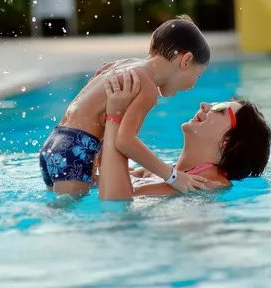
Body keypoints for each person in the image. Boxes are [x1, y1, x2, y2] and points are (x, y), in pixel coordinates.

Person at [39, 15, 211, 195]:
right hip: (76, 151)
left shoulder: (126, 64)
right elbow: (125, 141)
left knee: (59, 210)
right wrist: (173, 176)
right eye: (197, 75)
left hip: (55, 142)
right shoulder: (147, 87)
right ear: (186, 60)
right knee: (72, 217)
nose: (192, 86)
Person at [98, 71, 271, 199]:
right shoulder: (158, 171)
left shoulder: (208, 184)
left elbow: (117, 198)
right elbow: (101, 181)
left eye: (219, 109)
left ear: (229, 141)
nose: (205, 105)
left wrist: (114, 116)